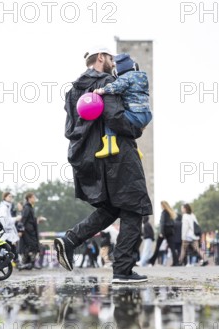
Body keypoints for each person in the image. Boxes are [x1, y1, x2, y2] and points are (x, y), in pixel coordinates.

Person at [54, 46, 152, 284]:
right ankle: (123, 270)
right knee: (134, 207)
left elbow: (70, 130)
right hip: (118, 155)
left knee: (111, 208)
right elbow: (115, 118)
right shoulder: (107, 81)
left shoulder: (73, 91)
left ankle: (69, 241)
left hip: (91, 159)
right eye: (110, 59)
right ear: (101, 58)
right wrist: (136, 129)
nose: (113, 64)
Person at [93, 53, 151, 158]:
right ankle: (135, 149)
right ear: (134, 66)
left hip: (135, 115)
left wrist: (101, 90)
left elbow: (116, 86)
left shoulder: (125, 78)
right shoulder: (143, 77)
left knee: (112, 118)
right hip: (146, 115)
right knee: (128, 126)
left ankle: (110, 146)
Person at [148, 201, 179, 266]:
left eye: (161, 205)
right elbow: (173, 224)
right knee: (172, 248)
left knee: (157, 247)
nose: (160, 207)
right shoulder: (171, 213)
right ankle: (176, 262)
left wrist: (161, 232)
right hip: (170, 232)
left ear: (163, 206)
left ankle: (151, 262)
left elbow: (162, 224)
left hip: (164, 232)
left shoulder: (164, 213)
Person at [19, 192, 43, 270]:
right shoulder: (26, 208)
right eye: (34, 197)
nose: (35, 199)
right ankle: (25, 263)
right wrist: (20, 230)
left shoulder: (30, 207)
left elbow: (30, 220)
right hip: (28, 232)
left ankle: (29, 264)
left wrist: (37, 220)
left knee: (33, 247)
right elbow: (23, 219)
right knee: (32, 247)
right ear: (29, 198)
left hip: (31, 231)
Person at [0, 191, 20, 256]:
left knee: (11, 252)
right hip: (5, 234)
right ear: (5, 197)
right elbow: (5, 222)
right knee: (10, 252)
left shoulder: (7, 207)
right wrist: (15, 219)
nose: (11, 198)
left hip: (8, 234)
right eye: (9, 196)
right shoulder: (3, 208)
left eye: (11, 196)